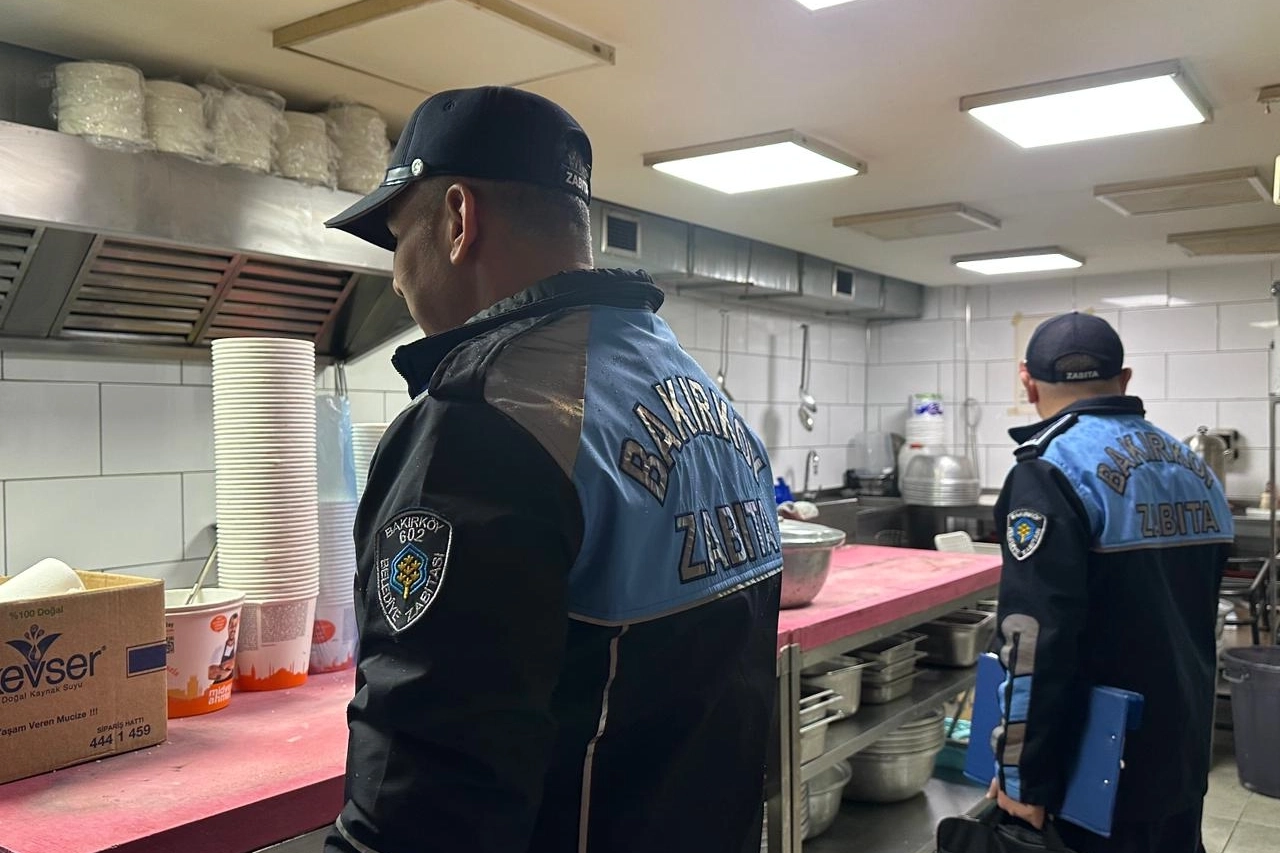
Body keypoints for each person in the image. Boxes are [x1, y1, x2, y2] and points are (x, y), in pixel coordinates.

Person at [321, 86, 783, 853]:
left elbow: (425, 797)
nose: (397, 278)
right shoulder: (712, 405)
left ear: (458, 220)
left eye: (398, 239)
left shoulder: (482, 422)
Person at [987, 311, 1233, 853]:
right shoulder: (1195, 469)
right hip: (1182, 752)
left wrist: (1022, 776)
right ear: (1124, 380)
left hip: (1095, 767)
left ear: (1028, 382)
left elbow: (1033, 642)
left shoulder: (1048, 470)